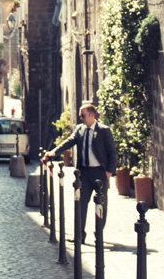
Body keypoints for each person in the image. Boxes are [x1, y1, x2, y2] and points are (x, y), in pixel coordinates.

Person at [44, 102, 117, 244]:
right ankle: (79, 235)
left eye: (82, 115)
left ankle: (99, 234)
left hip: (100, 173)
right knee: (80, 204)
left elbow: (112, 153)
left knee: (101, 204)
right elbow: (68, 142)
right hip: (84, 172)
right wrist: (53, 152)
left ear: (91, 115)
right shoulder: (80, 130)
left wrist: (109, 172)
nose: (80, 118)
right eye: (79, 116)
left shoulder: (103, 130)